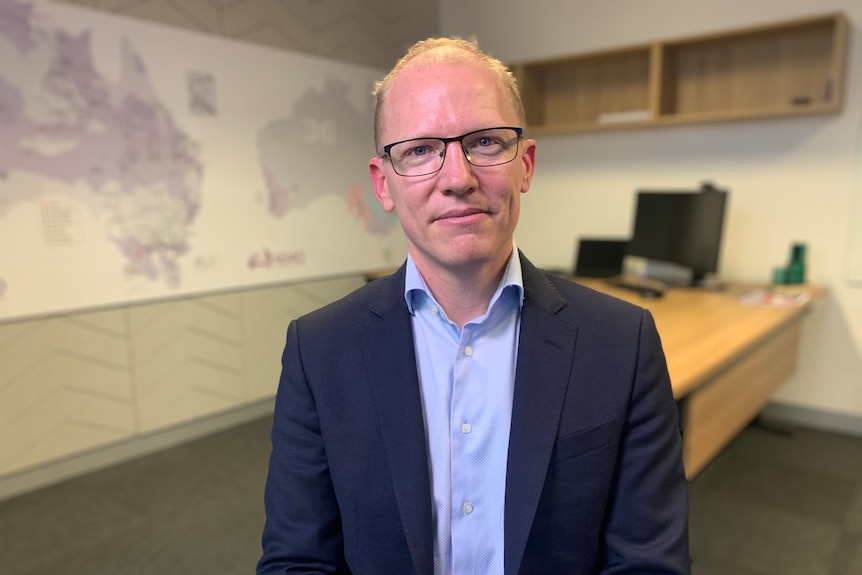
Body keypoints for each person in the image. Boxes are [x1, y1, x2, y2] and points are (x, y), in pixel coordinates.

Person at [258, 37, 690, 575]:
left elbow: (647, 563)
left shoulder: (622, 343)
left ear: (525, 165)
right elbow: (298, 562)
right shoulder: (318, 350)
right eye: (419, 150)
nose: (458, 178)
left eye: (485, 142)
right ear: (382, 184)